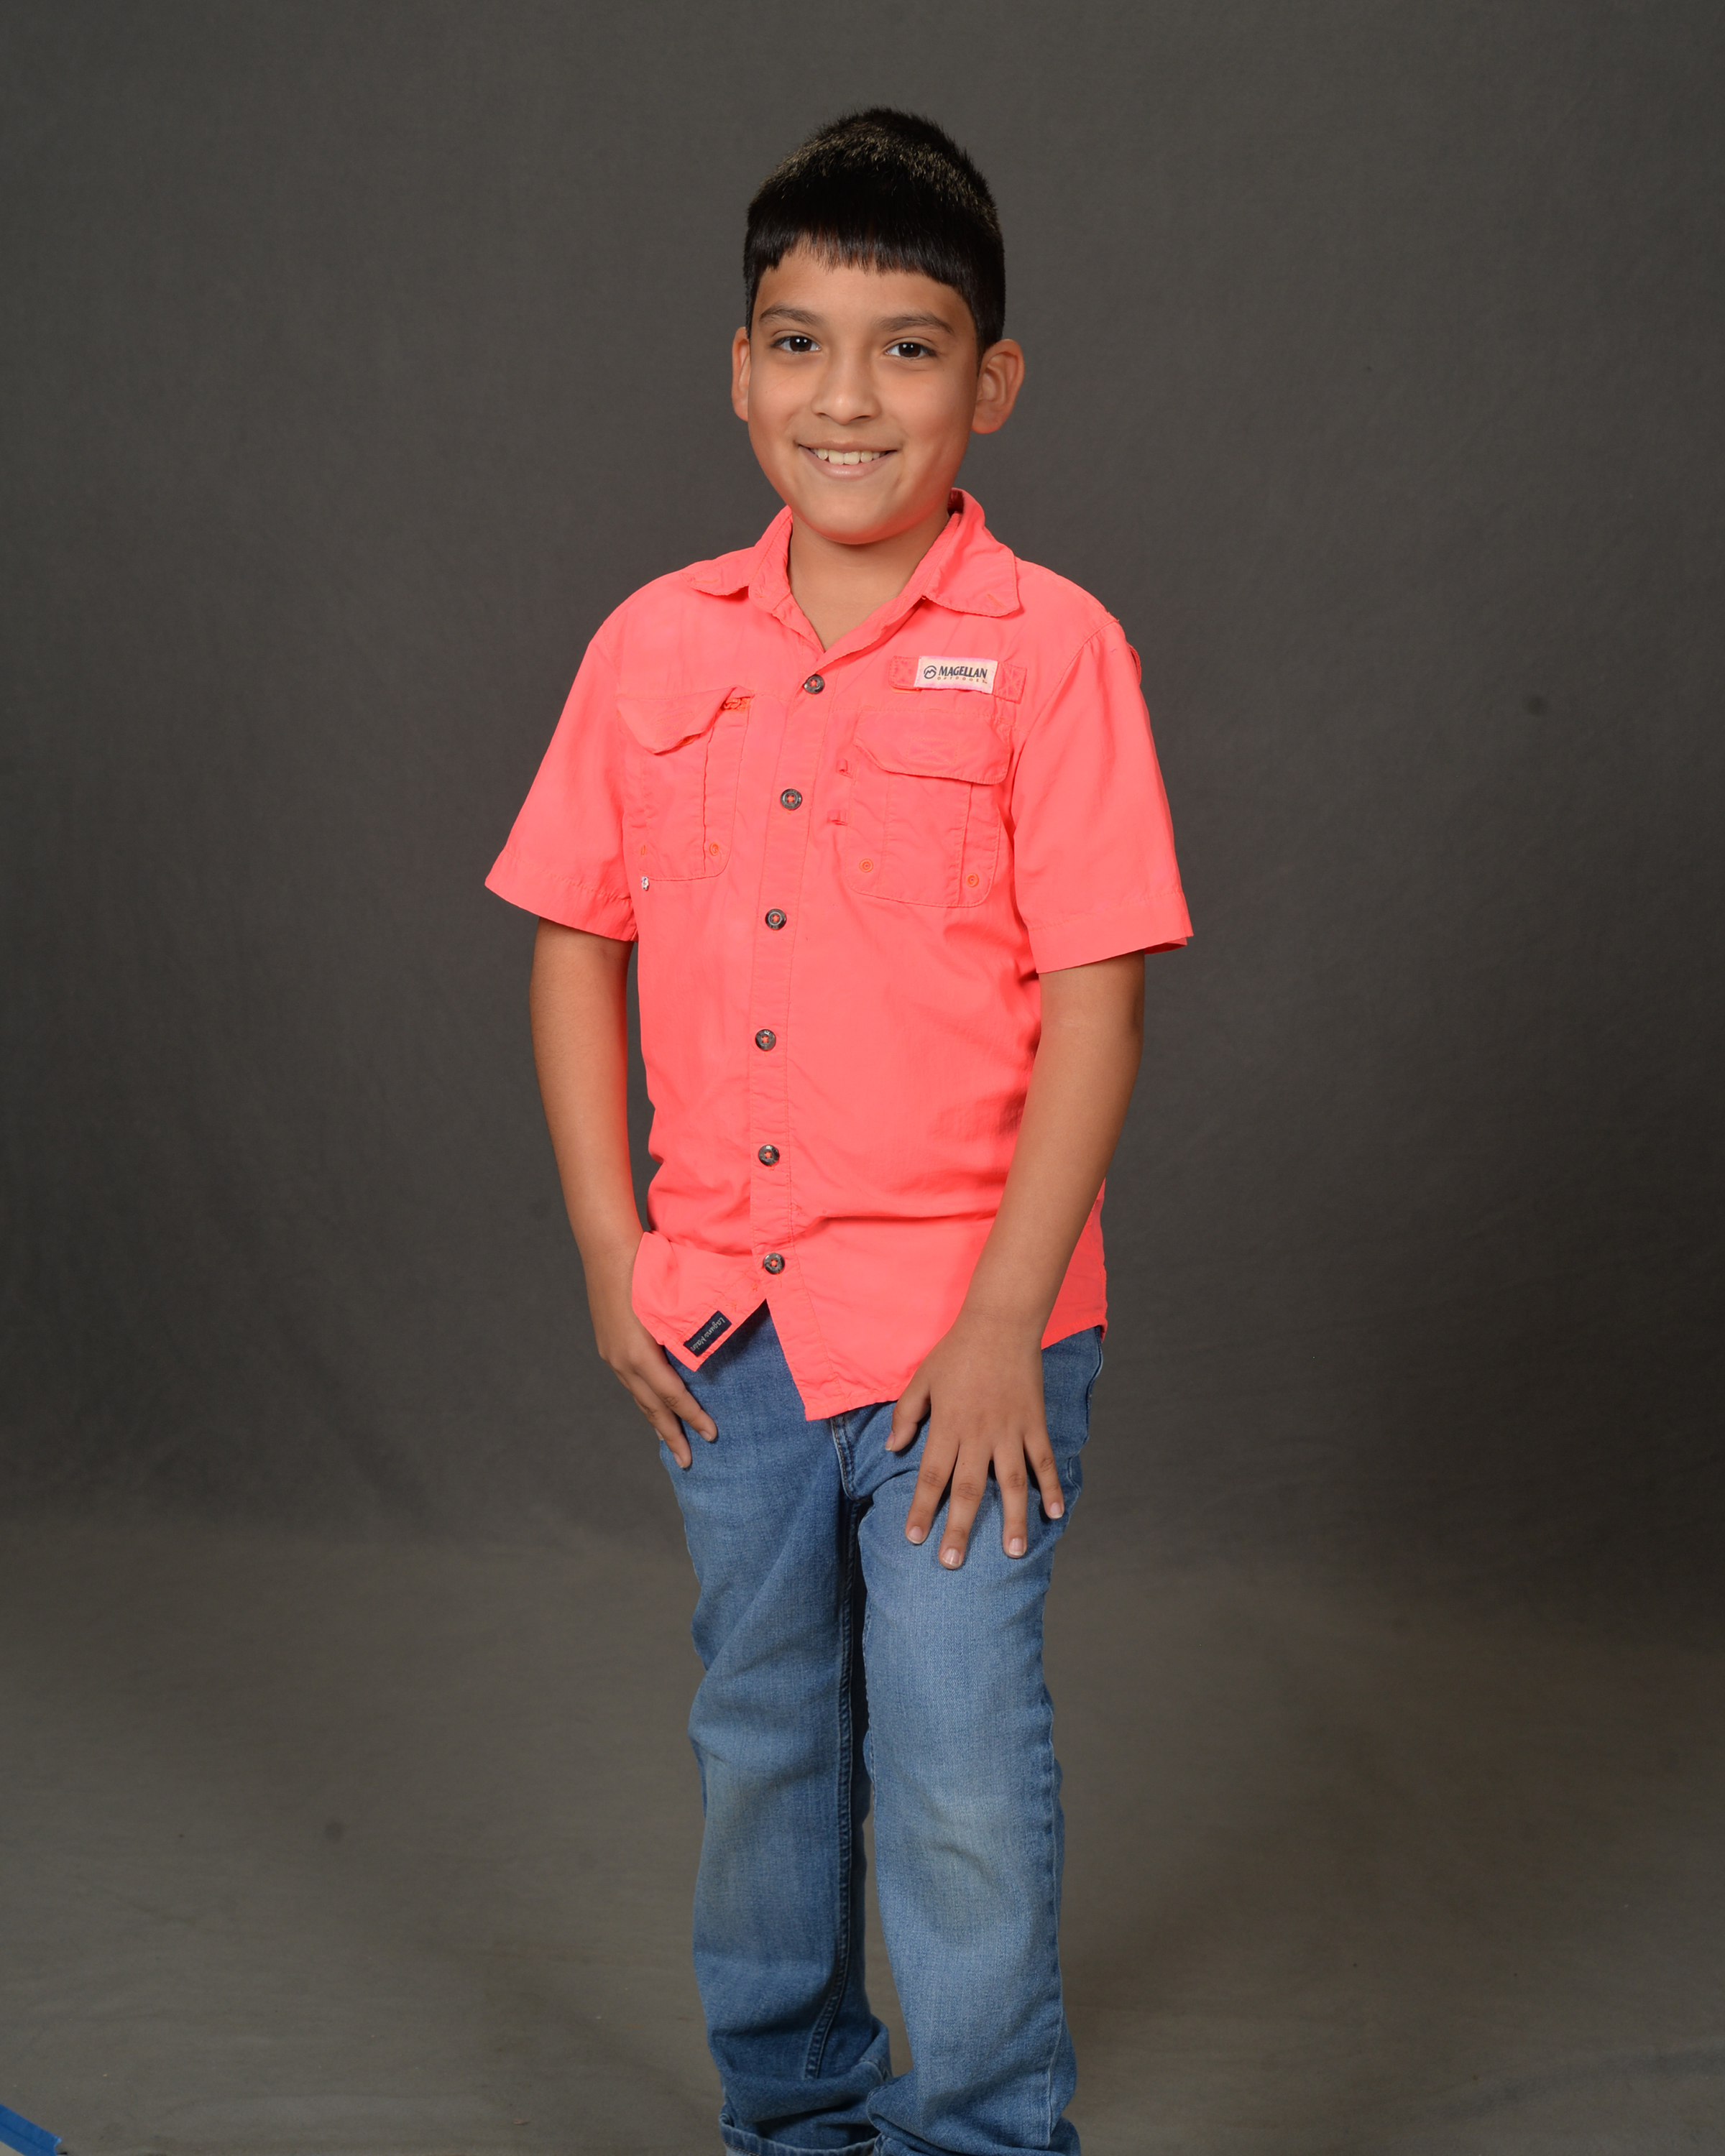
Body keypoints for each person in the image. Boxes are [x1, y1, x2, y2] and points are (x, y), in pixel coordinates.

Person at [487, 107, 1190, 2156]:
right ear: (740, 369)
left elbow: (1100, 1003)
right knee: (767, 1738)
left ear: (994, 384)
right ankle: (793, 2116)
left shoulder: (1054, 654)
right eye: (799, 344)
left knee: (957, 1757)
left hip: (976, 1338)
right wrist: (611, 1251)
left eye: (909, 349)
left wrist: (1004, 1323)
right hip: (728, 1327)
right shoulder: (653, 645)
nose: (849, 398)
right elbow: (571, 941)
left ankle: (981, 2133)